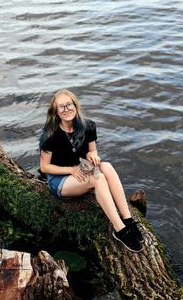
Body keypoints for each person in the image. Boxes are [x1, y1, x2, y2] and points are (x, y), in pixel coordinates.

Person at [39, 89, 143, 252]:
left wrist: (92, 155)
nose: (66, 110)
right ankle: (119, 230)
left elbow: (92, 151)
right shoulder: (50, 135)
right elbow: (44, 167)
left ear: (75, 105)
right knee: (98, 178)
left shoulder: (87, 126)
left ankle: (128, 219)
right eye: (61, 107)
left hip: (81, 168)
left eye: (69, 104)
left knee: (106, 166)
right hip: (60, 179)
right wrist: (71, 170)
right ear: (56, 111)